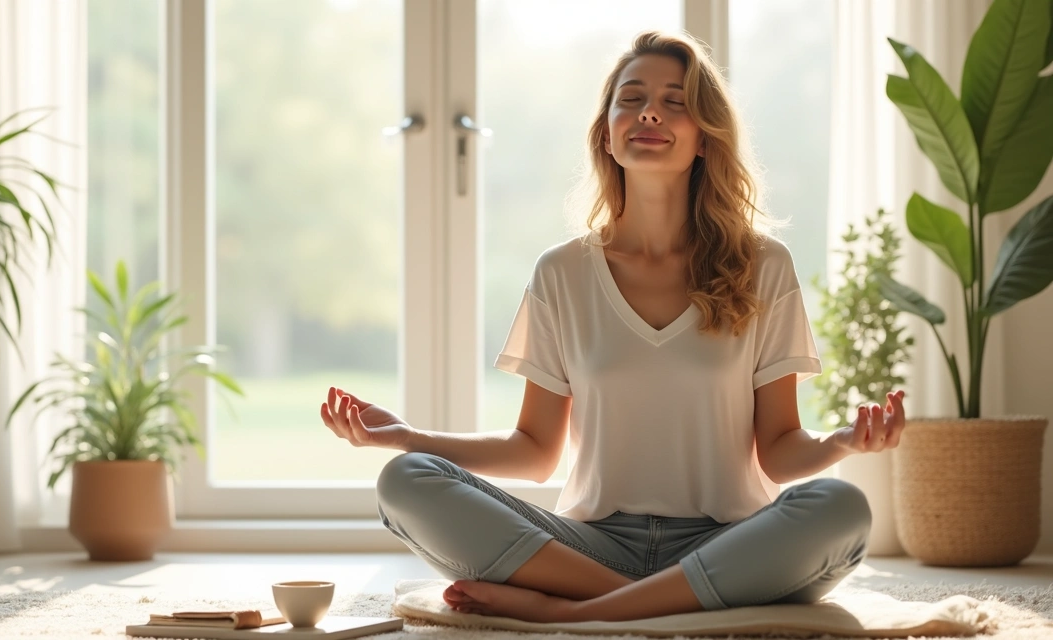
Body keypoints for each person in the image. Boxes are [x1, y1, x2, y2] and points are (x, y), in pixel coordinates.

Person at [318, 29, 906, 624]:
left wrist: (843, 443)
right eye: (632, 98)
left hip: (726, 540)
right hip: (589, 545)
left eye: (676, 101)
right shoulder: (562, 272)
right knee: (406, 481)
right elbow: (535, 451)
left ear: (705, 137)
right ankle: (651, 602)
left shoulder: (763, 266)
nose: (650, 110)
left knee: (840, 506)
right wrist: (407, 437)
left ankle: (570, 611)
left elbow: (778, 453)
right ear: (607, 131)